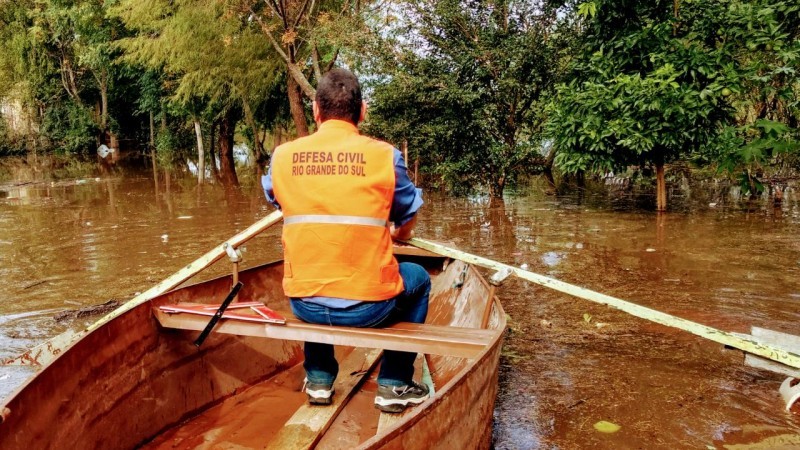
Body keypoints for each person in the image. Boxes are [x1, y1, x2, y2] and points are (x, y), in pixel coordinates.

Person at [261, 68, 431, 414]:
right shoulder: (385, 157)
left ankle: (320, 380)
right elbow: (408, 215)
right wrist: (400, 235)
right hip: (368, 309)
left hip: (304, 303)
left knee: (315, 269)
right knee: (419, 278)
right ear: (362, 111)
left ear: (315, 110)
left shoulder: (282, 157)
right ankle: (395, 383)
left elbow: (276, 197)